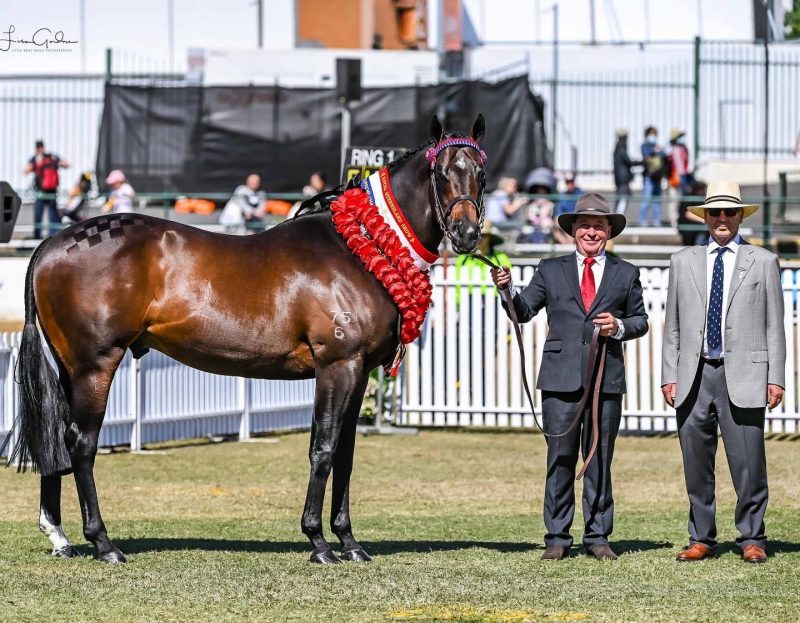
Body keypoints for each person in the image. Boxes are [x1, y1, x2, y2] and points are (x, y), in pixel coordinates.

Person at [491, 193, 649, 561]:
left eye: (599, 226)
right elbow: (523, 311)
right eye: (585, 225)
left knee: (599, 460)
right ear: (573, 230)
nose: (591, 232)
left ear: (609, 231)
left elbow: (640, 320)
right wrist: (506, 288)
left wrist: (619, 326)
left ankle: (598, 537)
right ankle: (557, 538)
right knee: (560, 458)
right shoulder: (550, 269)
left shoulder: (626, 273)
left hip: (606, 379)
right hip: (560, 379)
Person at [661, 181, 785, 564]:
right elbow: (672, 325)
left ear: (740, 216)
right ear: (705, 217)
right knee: (696, 461)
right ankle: (701, 537)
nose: (722, 218)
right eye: (714, 212)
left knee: (749, 462)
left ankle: (752, 537)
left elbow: (774, 326)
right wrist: (669, 374)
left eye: (729, 212)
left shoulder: (763, 261)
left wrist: (775, 377)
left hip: (745, 374)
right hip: (693, 375)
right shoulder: (682, 261)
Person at [455, 221, 511, 306]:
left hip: (494, 300)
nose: (479, 238)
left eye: (483, 235)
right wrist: (458, 303)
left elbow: (508, 281)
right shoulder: (463, 259)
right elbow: (457, 284)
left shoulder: (501, 258)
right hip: (468, 300)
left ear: (490, 238)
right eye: (476, 235)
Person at [23, 139, 70, 239]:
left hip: (41, 193)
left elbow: (25, 171)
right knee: (52, 216)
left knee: (38, 217)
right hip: (52, 193)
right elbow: (67, 164)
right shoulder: (52, 157)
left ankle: (37, 237)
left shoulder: (36, 159)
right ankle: (54, 237)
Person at [516, 167, 556, 244]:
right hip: (532, 227)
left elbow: (546, 216)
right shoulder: (531, 205)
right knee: (526, 230)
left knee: (546, 227)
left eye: (542, 192)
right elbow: (528, 216)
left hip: (544, 228)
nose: (540, 194)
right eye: (538, 192)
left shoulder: (550, 205)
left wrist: (543, 211)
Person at [664, 129, 693, 227]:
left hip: (683, 176)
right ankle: (674, 220)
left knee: (683, 199)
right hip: (674, 177)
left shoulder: (683, 148)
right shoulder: (670, 149)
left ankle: (683, 219)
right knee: (674, 199)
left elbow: (685, 163)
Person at [639, 126, 667, 227]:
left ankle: (656, 221)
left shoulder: (657, 146)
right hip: (649, 176)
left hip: (658, 177)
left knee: (657, 200)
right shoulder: (644, 145)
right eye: (652, 134)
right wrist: (656, 151)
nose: (653, 136)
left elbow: (664, 155)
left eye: (655, 134)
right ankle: (642, 220)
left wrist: (658, 151)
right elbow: (647, 155)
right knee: (646, 199)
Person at [613, 129, 639, 216]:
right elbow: (629, 161)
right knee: (623, 198)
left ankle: (618, 215)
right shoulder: (621, 149)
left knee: (621, 197)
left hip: (620, 178)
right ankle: (619, 216)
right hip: (623, 179)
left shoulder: (617, 149)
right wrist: (641, 162)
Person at [553, 173, 584, 243]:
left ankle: (569, 246)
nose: (570, 184)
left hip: (576, 219)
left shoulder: (580, 194)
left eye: (571, 182)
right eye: (568, 182)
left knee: (569, 225)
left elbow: (581, 210)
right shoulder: (562, 195)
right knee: (555, 228)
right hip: (566, 219)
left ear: (574, 182)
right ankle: (568, 245)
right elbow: (559, 212)